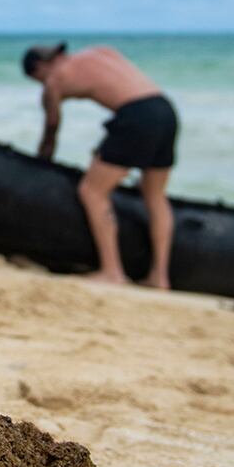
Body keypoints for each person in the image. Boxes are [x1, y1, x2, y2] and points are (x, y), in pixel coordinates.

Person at [24, 42, 180, 288]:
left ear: (40, 68)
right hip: (164, 109)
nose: (42, 85)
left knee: (92, 191)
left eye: (38, 80)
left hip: (135, 115)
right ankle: (160, 277)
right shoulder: (101, 52)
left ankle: (112, 272)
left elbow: (51, 129)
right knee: (155, 196)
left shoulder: (55, 80)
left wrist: (41, 165)